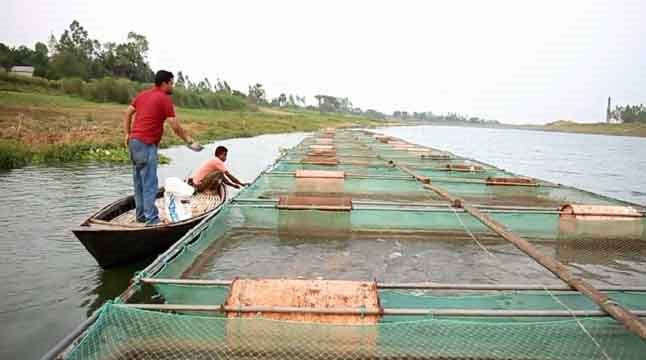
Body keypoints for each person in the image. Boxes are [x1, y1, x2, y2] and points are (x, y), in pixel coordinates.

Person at [124, 70, 203, 225]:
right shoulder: (164, 98)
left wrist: (127, 134)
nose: (172, 86)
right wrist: (188, 140)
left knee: (139, 182)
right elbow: (174, 124)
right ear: (165, 83)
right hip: (147, 144)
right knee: (149, 184)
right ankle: (152, 220)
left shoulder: (142, 95)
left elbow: (128, 113)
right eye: (171, 83)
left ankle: (141, 216)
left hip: (134, 142)